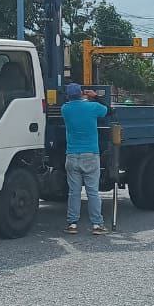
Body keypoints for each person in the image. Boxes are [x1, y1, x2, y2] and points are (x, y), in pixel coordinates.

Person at [61, 83, 108, 234]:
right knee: (92, 191)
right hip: (90, 154)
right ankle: (97, 224)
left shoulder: (65, 109)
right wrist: (95, 96)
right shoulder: (92, 107)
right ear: (81, 93)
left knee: (74, 192)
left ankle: (72, 224)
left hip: (72, 155)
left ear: (68, 95)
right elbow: (108, 110)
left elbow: (71, 104)